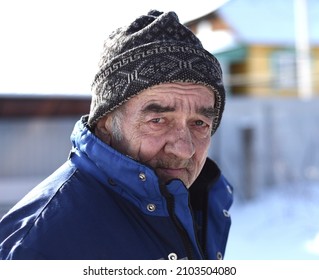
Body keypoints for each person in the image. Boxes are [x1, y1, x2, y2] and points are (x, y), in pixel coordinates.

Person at [0, 10, 233, 260]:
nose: (184, 149)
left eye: (199, 123)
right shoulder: (38, 246)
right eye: (158, 120)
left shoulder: (201, 204)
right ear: (105, 124)